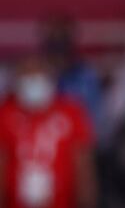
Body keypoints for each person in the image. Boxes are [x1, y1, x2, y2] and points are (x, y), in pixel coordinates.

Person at [0, 55, 97, 208]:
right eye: (27, 77)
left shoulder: (71, 111)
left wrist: (87, 200)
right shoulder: (5, 112)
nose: (33, 83)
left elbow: (83, 163)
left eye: (38, 77)